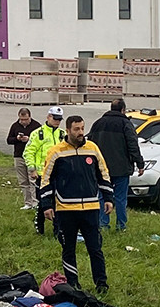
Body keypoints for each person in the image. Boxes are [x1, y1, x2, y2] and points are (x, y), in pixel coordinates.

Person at [40, 115, 112, 293]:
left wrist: (108, 198)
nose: (81, 132)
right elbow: (46, 179)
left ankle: (101, 284)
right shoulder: (56, 151)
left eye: (82, 128)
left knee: (95, 248)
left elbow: (103, 173)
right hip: (65, 209)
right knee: (68, 248)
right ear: (68, 130)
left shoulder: (92, 148)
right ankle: (73, 283)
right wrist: (46, 205)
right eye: (76, 129)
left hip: (91, 208)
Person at [88, 98, 146, 231]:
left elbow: (90, 145)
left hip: (102, 169)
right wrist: (140, 163)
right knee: (120, 198)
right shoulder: (125, 124)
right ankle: (121, 226)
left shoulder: (98, 123)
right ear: (123, 110)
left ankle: (103, 224)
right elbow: (133, 145)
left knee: (102, 196)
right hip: (121, 168)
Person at [23, 107, 66, 236]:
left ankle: (57, 230)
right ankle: (39, 229)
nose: (57, 122)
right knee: (43, 203)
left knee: (58, 203)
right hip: (42, 175)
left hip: (58, 175)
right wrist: (32, 169)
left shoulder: (62, 134)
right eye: (54, 118)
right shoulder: (38, 133)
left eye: (59, 119)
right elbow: (28, 152)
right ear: (48, 117)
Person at [7, 107, 42, 210]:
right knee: (23, 181)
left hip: (32, 157)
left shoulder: (36, 126)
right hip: (19, 156)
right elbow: (9, 140)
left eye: (25, 119)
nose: (23, 122)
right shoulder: (15, 126)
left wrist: (29, 139)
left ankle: (35, 202)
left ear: (29, 117)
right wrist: (17, 139)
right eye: (21, 119)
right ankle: (28, 203)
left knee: (33, 180)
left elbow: (41, 141)